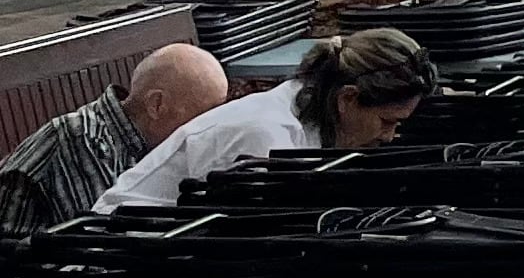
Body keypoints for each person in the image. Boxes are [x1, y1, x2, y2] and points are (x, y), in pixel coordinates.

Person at [100, 28, 437, 210]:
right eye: (386, 121)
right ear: (347, 99)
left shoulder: (302, 113)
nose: (390, 136)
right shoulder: (266, 136)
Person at [0, 43, 228, 233]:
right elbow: (105, 238)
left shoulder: (140, 142)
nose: (204, 129)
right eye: (201, 117)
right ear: (156, 105)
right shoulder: (84, 140)